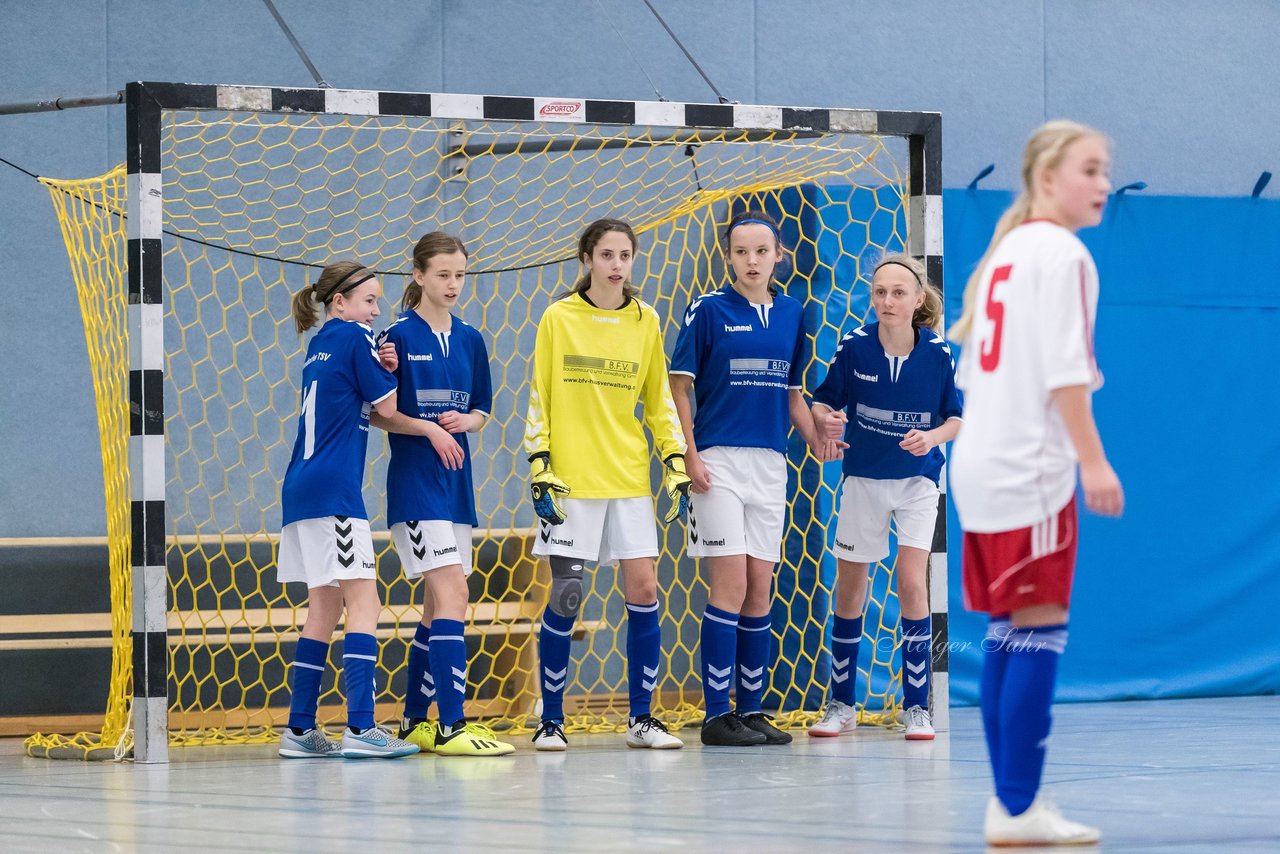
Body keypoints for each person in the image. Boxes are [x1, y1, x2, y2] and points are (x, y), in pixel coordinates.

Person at [949, 120, 1122, 847]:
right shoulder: (1063, 254)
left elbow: (975, 374)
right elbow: (1065, 376)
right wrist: (1093, 461)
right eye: (1089, 169)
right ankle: (1017, 808)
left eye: (1107, 170)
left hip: (980, 469)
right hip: (1032, 470)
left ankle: (1013, 802)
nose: (1103, 183)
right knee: (1041, 629)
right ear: (1047, 178)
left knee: (1007, 629)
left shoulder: (1005, 252)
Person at [669, 211, 838, 747]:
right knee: (732, 585)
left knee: (761, 589)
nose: (752, 261)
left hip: (770, 463)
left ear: (779, 255)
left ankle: (752, 708)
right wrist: (689, 455)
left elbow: (792, 394)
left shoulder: (793, 312)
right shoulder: (709, 309)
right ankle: (717, 715)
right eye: (741, 252)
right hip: (717, 461)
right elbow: (679, 388)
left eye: (761, 252)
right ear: (728, 257)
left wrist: (818, 439)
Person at [524, 217, 691, 751]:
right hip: (571, 482)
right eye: (607, 256)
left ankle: (641, 719)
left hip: (627, 480)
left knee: (644, 590)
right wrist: (540, 464)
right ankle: (551, 720)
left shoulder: (647, 320)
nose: (617, 266)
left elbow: (659, 399)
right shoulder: (559, 318)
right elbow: (539, 397)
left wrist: (675, 461)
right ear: (587, 261)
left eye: (625, 256)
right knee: (568, 595)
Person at [808, 253, 962, 742]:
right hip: (864, 480)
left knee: (910, 583)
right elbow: (821, 401)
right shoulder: (854, 347)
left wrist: (933, 438)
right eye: (880, 292)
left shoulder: (938, 353)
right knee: (851, 588)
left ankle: (917, 707)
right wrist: (826, 421)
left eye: (898, 292)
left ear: (918, 299)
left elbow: (955, 418)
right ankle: (842, 703)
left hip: (918, 481)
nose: (888, 301)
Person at [372, 232, 514, 757]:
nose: (453, 284)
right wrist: (431, 429)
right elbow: (379, 413)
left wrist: (468, 423)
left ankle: (414, 721)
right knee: (455, 594)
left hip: (456, 489)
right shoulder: (396, 337)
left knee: (437, 607)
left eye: (459, 275)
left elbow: (481, 408)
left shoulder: (472, 339)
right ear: (418, 276)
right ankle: (454, 724)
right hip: (416, 489)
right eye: (443, 275)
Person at [277, 260, 418, 759]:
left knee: (325, 606)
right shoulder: (355, 337)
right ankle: (361, 727)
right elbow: (387, 407)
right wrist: (392, 370)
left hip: (301, 487)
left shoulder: (320, 344)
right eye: (369, 301)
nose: (377, 311)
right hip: (334, 491)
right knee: (366, 603)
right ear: (340, 302)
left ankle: (299, 730)